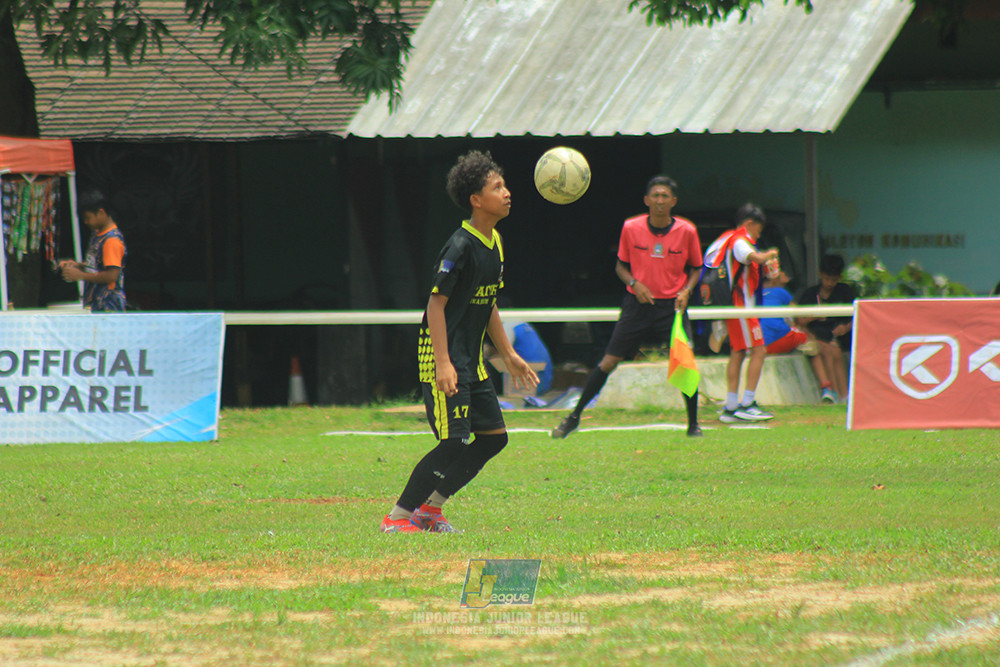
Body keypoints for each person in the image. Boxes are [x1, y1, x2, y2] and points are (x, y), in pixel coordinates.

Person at [380, 150, 538, 534]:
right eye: (497, 187)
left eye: (504, 185)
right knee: (453, 440)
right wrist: (444, 363)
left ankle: (431, 510)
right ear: (476, 200)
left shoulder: (495, 242)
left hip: (472, 360)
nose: (507, 192)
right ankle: (398, 517)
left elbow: (489, 302)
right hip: (442, 356)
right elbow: (436, 306)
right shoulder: (459, 246)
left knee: (494, 438)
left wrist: (510, 354)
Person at [551, 175, 703, 439]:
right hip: (637, 305)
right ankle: (573, 418)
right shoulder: (631, 228)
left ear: (673, 202)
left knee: (684, 361)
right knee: (608, 362)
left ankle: (693, 425)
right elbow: (620, 266)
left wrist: (687, 290)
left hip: (671, 307)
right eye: (654, 195)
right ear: (646, 200)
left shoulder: (686, 231)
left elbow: (697, 268)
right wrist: (636, 283)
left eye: (664, 196)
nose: (659, 200)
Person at [705, 203, 779, 423]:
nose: (758, 234)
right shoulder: (739, 241)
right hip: (741, 308)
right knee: (759, 351)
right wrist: (770, 254)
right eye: (758, 229)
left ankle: (730, 407)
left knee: (738, 353)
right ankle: (747, 403)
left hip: (738, 308)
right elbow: (753, 258)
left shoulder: (731, 240)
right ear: (749, 224)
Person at [760, 269, 838, 404]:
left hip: (759, 346)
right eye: (782, 273)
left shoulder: (755, 295)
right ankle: (827, 389)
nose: (786, 274)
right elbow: (799, 317)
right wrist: (817, 315)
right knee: (811, 344)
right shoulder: (781, 292)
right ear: (774, 279)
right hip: (778, 340)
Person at [796, 254, 856, 403]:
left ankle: (844, 395)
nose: (830, 283)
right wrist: (816, 314)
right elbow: (799, 321)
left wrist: (846, 327)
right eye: (827, 279)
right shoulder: (810, 294)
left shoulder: (845, 292)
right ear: (820, 275)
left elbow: (858, 316)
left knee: (834, 351)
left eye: (834, 280)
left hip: (837, 338)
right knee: (831, 351)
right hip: (816, 336)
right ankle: (837, 393)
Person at [59, 190, 128, 313]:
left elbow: (112, 275)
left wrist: (80, 276)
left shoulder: (111, 241)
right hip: (95, 302)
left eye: (88, 218)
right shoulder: (97, 234)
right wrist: (78, 265)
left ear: (101, 213)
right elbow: (98, 265)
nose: (85, 222)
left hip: (108, 305)